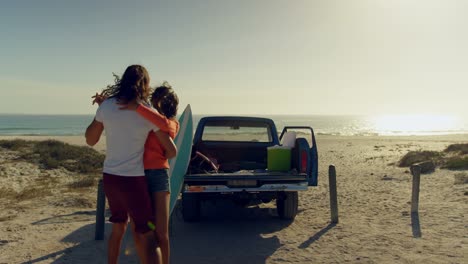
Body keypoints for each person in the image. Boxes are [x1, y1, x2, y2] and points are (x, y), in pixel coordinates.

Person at [86, 65, 172, 264]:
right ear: (145, 84)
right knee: (148, 233)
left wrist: (101, 110)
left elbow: (91, 140)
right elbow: (170, 148)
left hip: (110, 180)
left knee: (118, 228)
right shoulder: (145, 110)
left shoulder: (107, 106)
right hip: (133, 181)